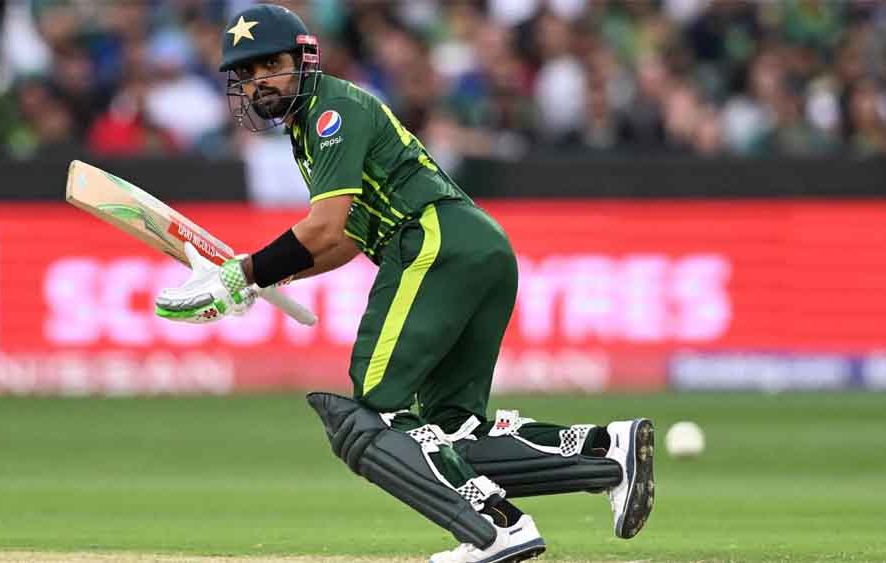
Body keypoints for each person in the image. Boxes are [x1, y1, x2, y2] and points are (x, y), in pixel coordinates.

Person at [153, 5, 655, 562]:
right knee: (451, 431)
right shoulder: (310, 126)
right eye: (245, 73)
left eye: (270, 65)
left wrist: (243, 273)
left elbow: (324, 226)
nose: (257, 82)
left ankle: (496, 529)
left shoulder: (330, 112)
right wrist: (256, 281)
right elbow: (346, 239)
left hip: (434, 242)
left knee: (373, 416)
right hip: (477, 247)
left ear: (304, 60)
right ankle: (607, 452)